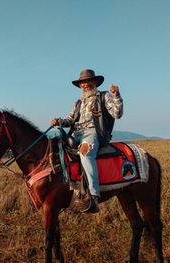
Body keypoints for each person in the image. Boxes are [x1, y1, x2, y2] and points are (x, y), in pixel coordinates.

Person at [51, 69, 123, 213]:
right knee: (57, 150)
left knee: (85, 154)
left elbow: (117, 113)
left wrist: (116, 96)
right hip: (75, 133)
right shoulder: (78, 103)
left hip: (92, 132)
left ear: (95, 82)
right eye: (83, 82)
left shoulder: (103, 96)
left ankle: (93, 195)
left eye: (89, 81)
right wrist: (58, 121)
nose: (86, 84)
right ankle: (66, 191)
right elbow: (70, 120)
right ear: (80, 86)